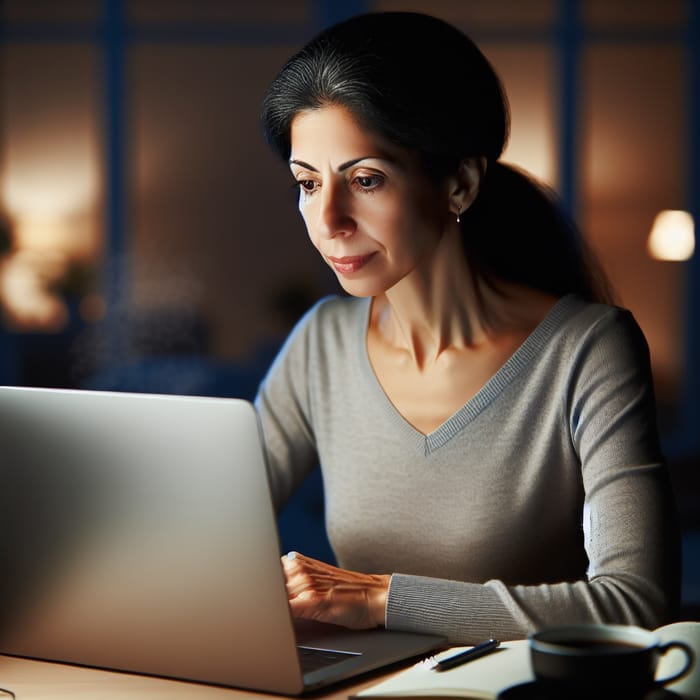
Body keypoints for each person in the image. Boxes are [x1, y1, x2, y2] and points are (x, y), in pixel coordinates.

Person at [255, 11, 681, 644]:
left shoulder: (587, 348)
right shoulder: (323, 340)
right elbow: (209, 532)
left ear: (459, 185)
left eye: (365, 180)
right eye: (307, 183)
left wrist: (380, 597)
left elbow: (635, 599)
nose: (329, 219)